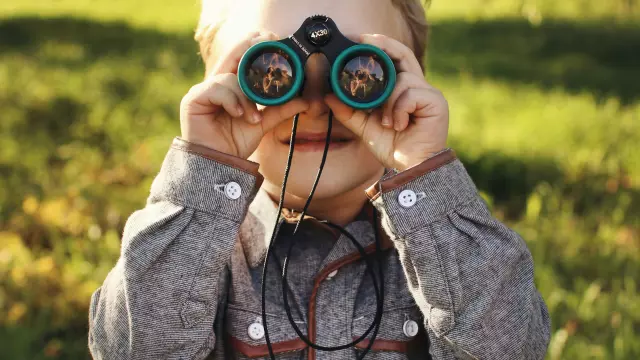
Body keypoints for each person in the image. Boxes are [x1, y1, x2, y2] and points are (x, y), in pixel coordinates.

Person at [87, 0, 551, 359]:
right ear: (220, 86)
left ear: (409, 85)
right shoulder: (202, 251)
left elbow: (510, 346)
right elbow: (132, 349)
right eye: (270, 73)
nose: (314, 106)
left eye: (359, 74)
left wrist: (422, 168)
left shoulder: (444, 250)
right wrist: (207, 165)